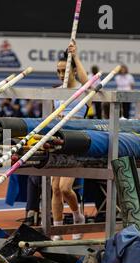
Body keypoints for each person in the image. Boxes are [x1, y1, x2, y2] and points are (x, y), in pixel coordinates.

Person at [51, 41, 88, 240]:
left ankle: (77, 216)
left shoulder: (83, 91)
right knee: (55, 188)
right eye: (57, 71)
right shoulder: (55, 93)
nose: (60, 74)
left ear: (73, 70)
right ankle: (57, 231)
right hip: (58, 141)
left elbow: (86, 80)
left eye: (64, 70)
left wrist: (75, 56)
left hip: (76, 142)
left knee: (66, 188)